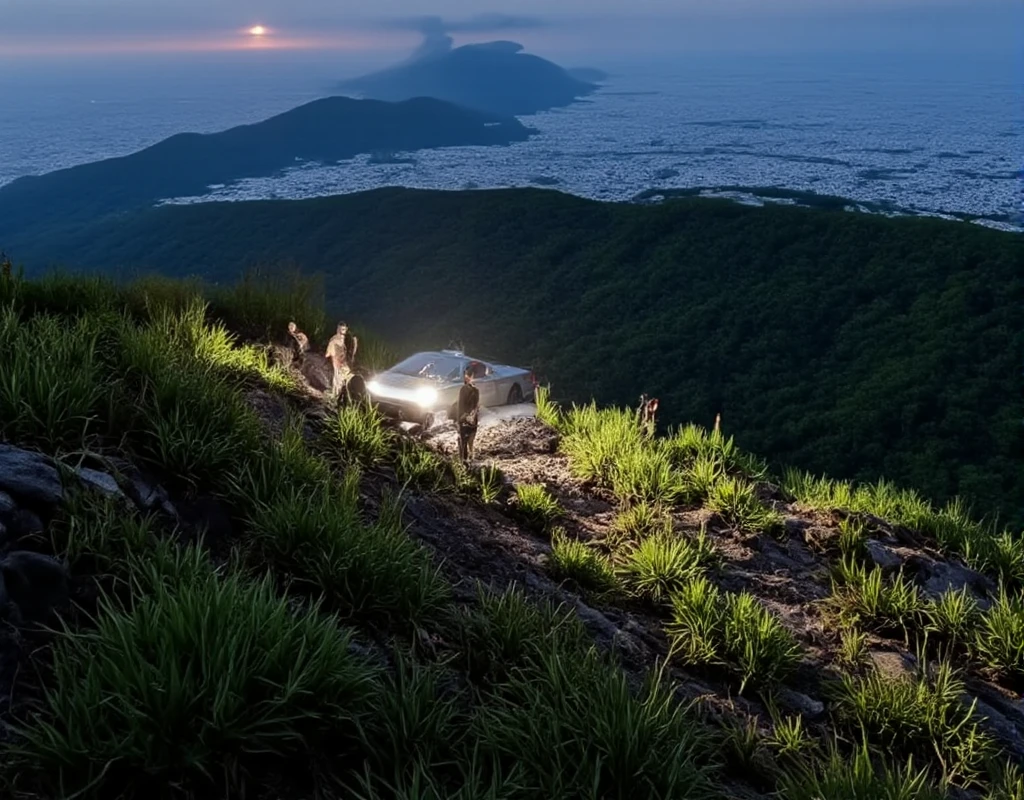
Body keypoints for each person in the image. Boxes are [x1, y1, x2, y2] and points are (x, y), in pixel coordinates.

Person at [325, 321, 358, 399]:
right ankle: (338, 396)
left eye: (342, 330)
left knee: (340, 379)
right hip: (339, 362)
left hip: (343, 362)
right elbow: (328, 353)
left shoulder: (344, 339)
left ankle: (339, 396)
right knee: (339, 378)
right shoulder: (336, 339)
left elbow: (328, 354)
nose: (341, 332)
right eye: (340, 329)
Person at [456, 364, 481, 463]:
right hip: (469, 418)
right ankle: (467, 459)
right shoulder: (472, 390)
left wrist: (462, 418)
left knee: (465, 441)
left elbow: (462, 405)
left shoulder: (469, 390)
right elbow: (474, 406)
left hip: (467, 418)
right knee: (468, 441)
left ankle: (465, 460)